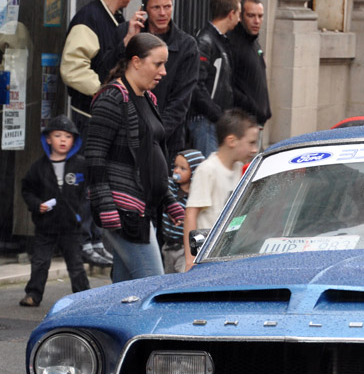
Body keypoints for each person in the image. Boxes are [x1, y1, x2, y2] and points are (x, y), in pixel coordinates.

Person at [60, 0, 147, 267]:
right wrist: (104, 92)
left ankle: (96, 238)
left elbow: (110, 60)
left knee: (101, 178)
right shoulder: (89, 19)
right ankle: (85, 239)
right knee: (90, 177)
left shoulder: (115, 20)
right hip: (88, 114)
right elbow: (72, 69)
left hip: (101, 113)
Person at [87, 33, 185, 283]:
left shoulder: (148, 99)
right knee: (152, 285)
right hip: (125, 213)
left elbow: (149, 159)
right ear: (136, 61)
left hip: (142, 211)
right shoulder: (113, 98)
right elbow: (95, 157)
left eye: (164, 64)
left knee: (127, 291)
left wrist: (168, 200)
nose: (163, 71)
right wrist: (106, 208)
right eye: (158, 64)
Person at [19, 115, 90, 307]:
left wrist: (82, 212)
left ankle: (84, 297)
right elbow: (27, 190)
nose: (63, 140)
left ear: (74, 140)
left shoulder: (81, 165)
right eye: (58, 136)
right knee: (40, 262)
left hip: (71, 225)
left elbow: (88, 190)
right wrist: (36, 205)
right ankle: (33, 294)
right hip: (45, 224)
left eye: (68, 136)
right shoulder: (39, 167)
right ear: (48, 139)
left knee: (76, 264)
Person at [182, 109, 259, 271]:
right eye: (251, 143)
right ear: (232, 141)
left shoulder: (239, 169)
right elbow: (191, 214)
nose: (255, 150)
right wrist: (191, 259)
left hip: (227, 255)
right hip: (206, 258)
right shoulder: (207, 170)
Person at [137, 0, 199, 156]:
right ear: (144, 9)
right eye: (156, 7)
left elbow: (181, 101)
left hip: (167, 142)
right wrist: (127, 41)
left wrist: (155, 136)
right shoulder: (129, 36)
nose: (163, 13)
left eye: (167, 6)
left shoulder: (187, 45)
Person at [187, 0, 241, 158]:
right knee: (208, 169)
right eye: (238, 14)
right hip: (206, 122)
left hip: (213, 121)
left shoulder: (219, 40)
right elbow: (197, 84)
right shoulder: (206, 41)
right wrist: (217, 115)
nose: (239, 19)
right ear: (231, 14)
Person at [229, 0, 271, 129]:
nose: (256, 21)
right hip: (241, 123)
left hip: (256, 122)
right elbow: (228, 86)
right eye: (251, 16)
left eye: (260, 16)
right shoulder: (233, 44)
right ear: (240, 16)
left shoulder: (254, 43)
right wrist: (252, 108)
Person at [160, 149, 204, 273]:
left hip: (184, 249)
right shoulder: (171, 187)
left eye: (182, 168)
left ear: (194, 172)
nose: (176, 171)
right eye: (175, 166)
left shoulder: (195, 197)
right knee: (168, 275)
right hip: (168, 246)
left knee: (182, 274)